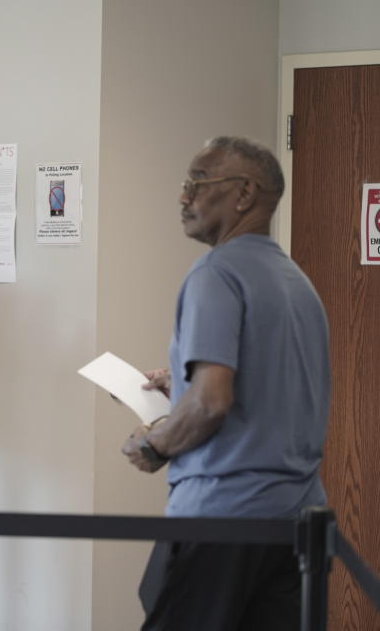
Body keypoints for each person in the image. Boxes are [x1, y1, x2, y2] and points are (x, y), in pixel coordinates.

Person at [121, 137, 331, 630]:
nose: (184, 197)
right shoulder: (296, 283)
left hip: (223, 518)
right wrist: (184, 384)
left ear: (243, 195)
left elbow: (213, 401)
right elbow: (275, 389)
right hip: (296, 522)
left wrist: (154, 445)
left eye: (198, 183)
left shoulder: (215, 272)